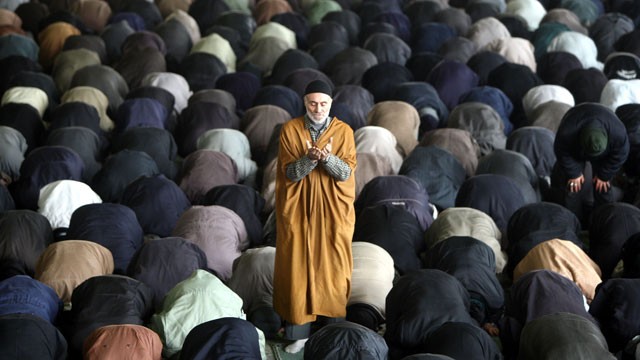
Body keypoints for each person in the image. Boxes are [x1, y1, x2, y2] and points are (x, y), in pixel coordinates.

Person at [273, 79, 357, 353]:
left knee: (333, 269)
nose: (318, 109)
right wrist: (309, 159)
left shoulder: (344, 132)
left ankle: (332, 331)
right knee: (298, 269)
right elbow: (289, 174)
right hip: (299, 214)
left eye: (323, 104)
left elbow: (346, 173)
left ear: (331, 104)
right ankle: (300, 332)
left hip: (333, 215)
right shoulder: (290, 129)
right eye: (312, 103)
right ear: (305, 103)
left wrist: (327, 159)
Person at [552, 102, 629, 227]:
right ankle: (572, 224)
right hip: (575, 150)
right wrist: (574, 173)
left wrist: (604, 175)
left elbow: (620, 154)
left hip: (605, 156)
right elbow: (562, 151)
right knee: (573, 186)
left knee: (603, 187)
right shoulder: (567, 131)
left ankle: (604, 224)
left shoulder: (618, 132)